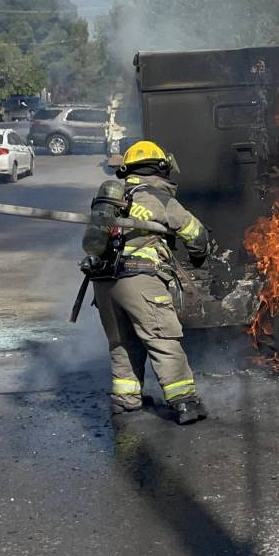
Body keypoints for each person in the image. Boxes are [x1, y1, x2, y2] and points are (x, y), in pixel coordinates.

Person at [91, 140, 209, 425]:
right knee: (162, 339)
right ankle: (185, 402)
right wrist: (198, 257)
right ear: (160, 168)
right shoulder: (160, 198)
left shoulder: (113, 197)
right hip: (139, 279)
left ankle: (126, 399)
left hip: (104, 282)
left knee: (122, 342)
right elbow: (196, 234)